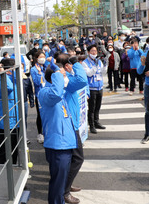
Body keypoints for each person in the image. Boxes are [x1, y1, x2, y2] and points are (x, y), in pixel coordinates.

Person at [38, 61, 87, 204]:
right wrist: (58, 75)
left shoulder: (62, 93)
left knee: (60, 184)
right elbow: (56, 93)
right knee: (57, 184)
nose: (65, 77)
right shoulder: (46, 93)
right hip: (57, 146)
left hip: (65, 144)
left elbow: (81, 81)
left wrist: (73, 64)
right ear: (54, 78)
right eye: (62, 75)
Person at [61, 55, 89, 204]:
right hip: (70, 126)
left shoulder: (67, 80)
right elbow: (82, 80)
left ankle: (67, 185)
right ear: (66, 66)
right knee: (78, 158)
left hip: (72, 124)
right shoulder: (67, 82)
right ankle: (65, 191)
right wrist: (75, 63)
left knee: (73, 158)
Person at [0, 58, 19, 164]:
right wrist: (1, 72)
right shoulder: (2, 79)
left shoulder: (12, 78)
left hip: (14, 120)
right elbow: (9, 88)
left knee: (14, 148)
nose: (14, 70)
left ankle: (12, 169)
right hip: (6, 121)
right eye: (12, 68)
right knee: (4, 150)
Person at [82, 45, 106, 134]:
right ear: (88, 52)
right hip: (92, 88)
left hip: (99, 87)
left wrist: (105, 66)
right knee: (92, 107)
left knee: (98, 106)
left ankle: (96, 122)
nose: (94, 53)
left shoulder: (99, 61)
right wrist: (95, 67)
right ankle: (91, 125)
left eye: (95, 51)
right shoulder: (85, 63)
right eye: (92, 51)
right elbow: (88, 74)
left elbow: (103, 73)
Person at [31, 51, 48, 143]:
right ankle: (40, 134)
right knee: (40, 115)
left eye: (44, 57)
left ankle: (47, 132)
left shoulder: (46, 67)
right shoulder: (34, 69)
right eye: (41, 57)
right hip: (39, 95)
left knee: (47, 114)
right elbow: (37, 83)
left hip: (47, 94)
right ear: (36, 58)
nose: (43, 58)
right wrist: (38, 72)